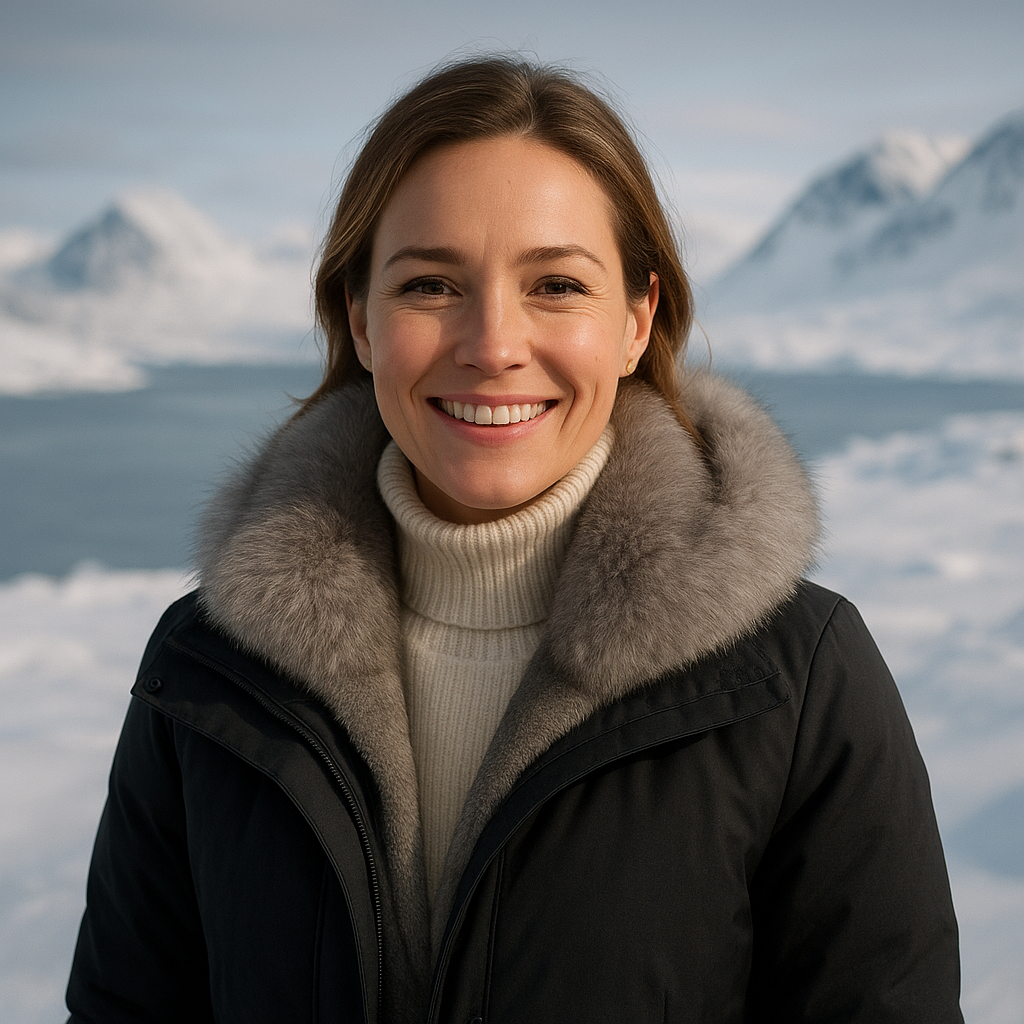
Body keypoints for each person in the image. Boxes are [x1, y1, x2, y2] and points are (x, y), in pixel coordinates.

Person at [66, 57, 963, 1023]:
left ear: (636, 321)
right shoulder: (209, 673)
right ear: (359, 320)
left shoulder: (796, 680)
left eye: (557, 285)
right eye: (430, 284)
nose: (493, 345)